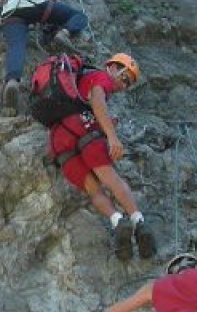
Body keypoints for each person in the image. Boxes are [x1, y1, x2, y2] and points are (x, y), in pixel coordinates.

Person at [47, 52, 155, 260]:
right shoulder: (101, 77)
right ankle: (138, 221)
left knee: (93, 189)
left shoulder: (75, 84)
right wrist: (112, 137)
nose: (124, 85)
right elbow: (97, 100)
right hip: (82, 128)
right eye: (124, 77)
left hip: (59, 140)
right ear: (112, 67)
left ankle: (116, 220)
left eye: (128, 84)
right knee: (109, 177)